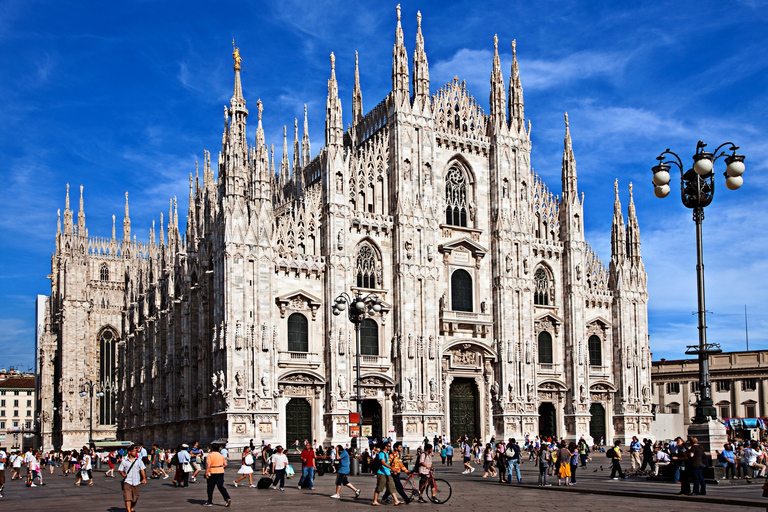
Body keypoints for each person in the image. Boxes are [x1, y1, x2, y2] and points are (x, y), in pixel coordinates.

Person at [118, 445, 146, 512]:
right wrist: (122, 474)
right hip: (127, 481)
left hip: (136, 481)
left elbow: (142, 469)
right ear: (129, 452)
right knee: (127, 497)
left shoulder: (139, 461)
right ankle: (128, 510)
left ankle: (132, 508)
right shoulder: (124, 461)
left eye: (136, 451)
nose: (135, 452)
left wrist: (144, 478)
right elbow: (120, 469)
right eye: (134, 451)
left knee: (135, 498)